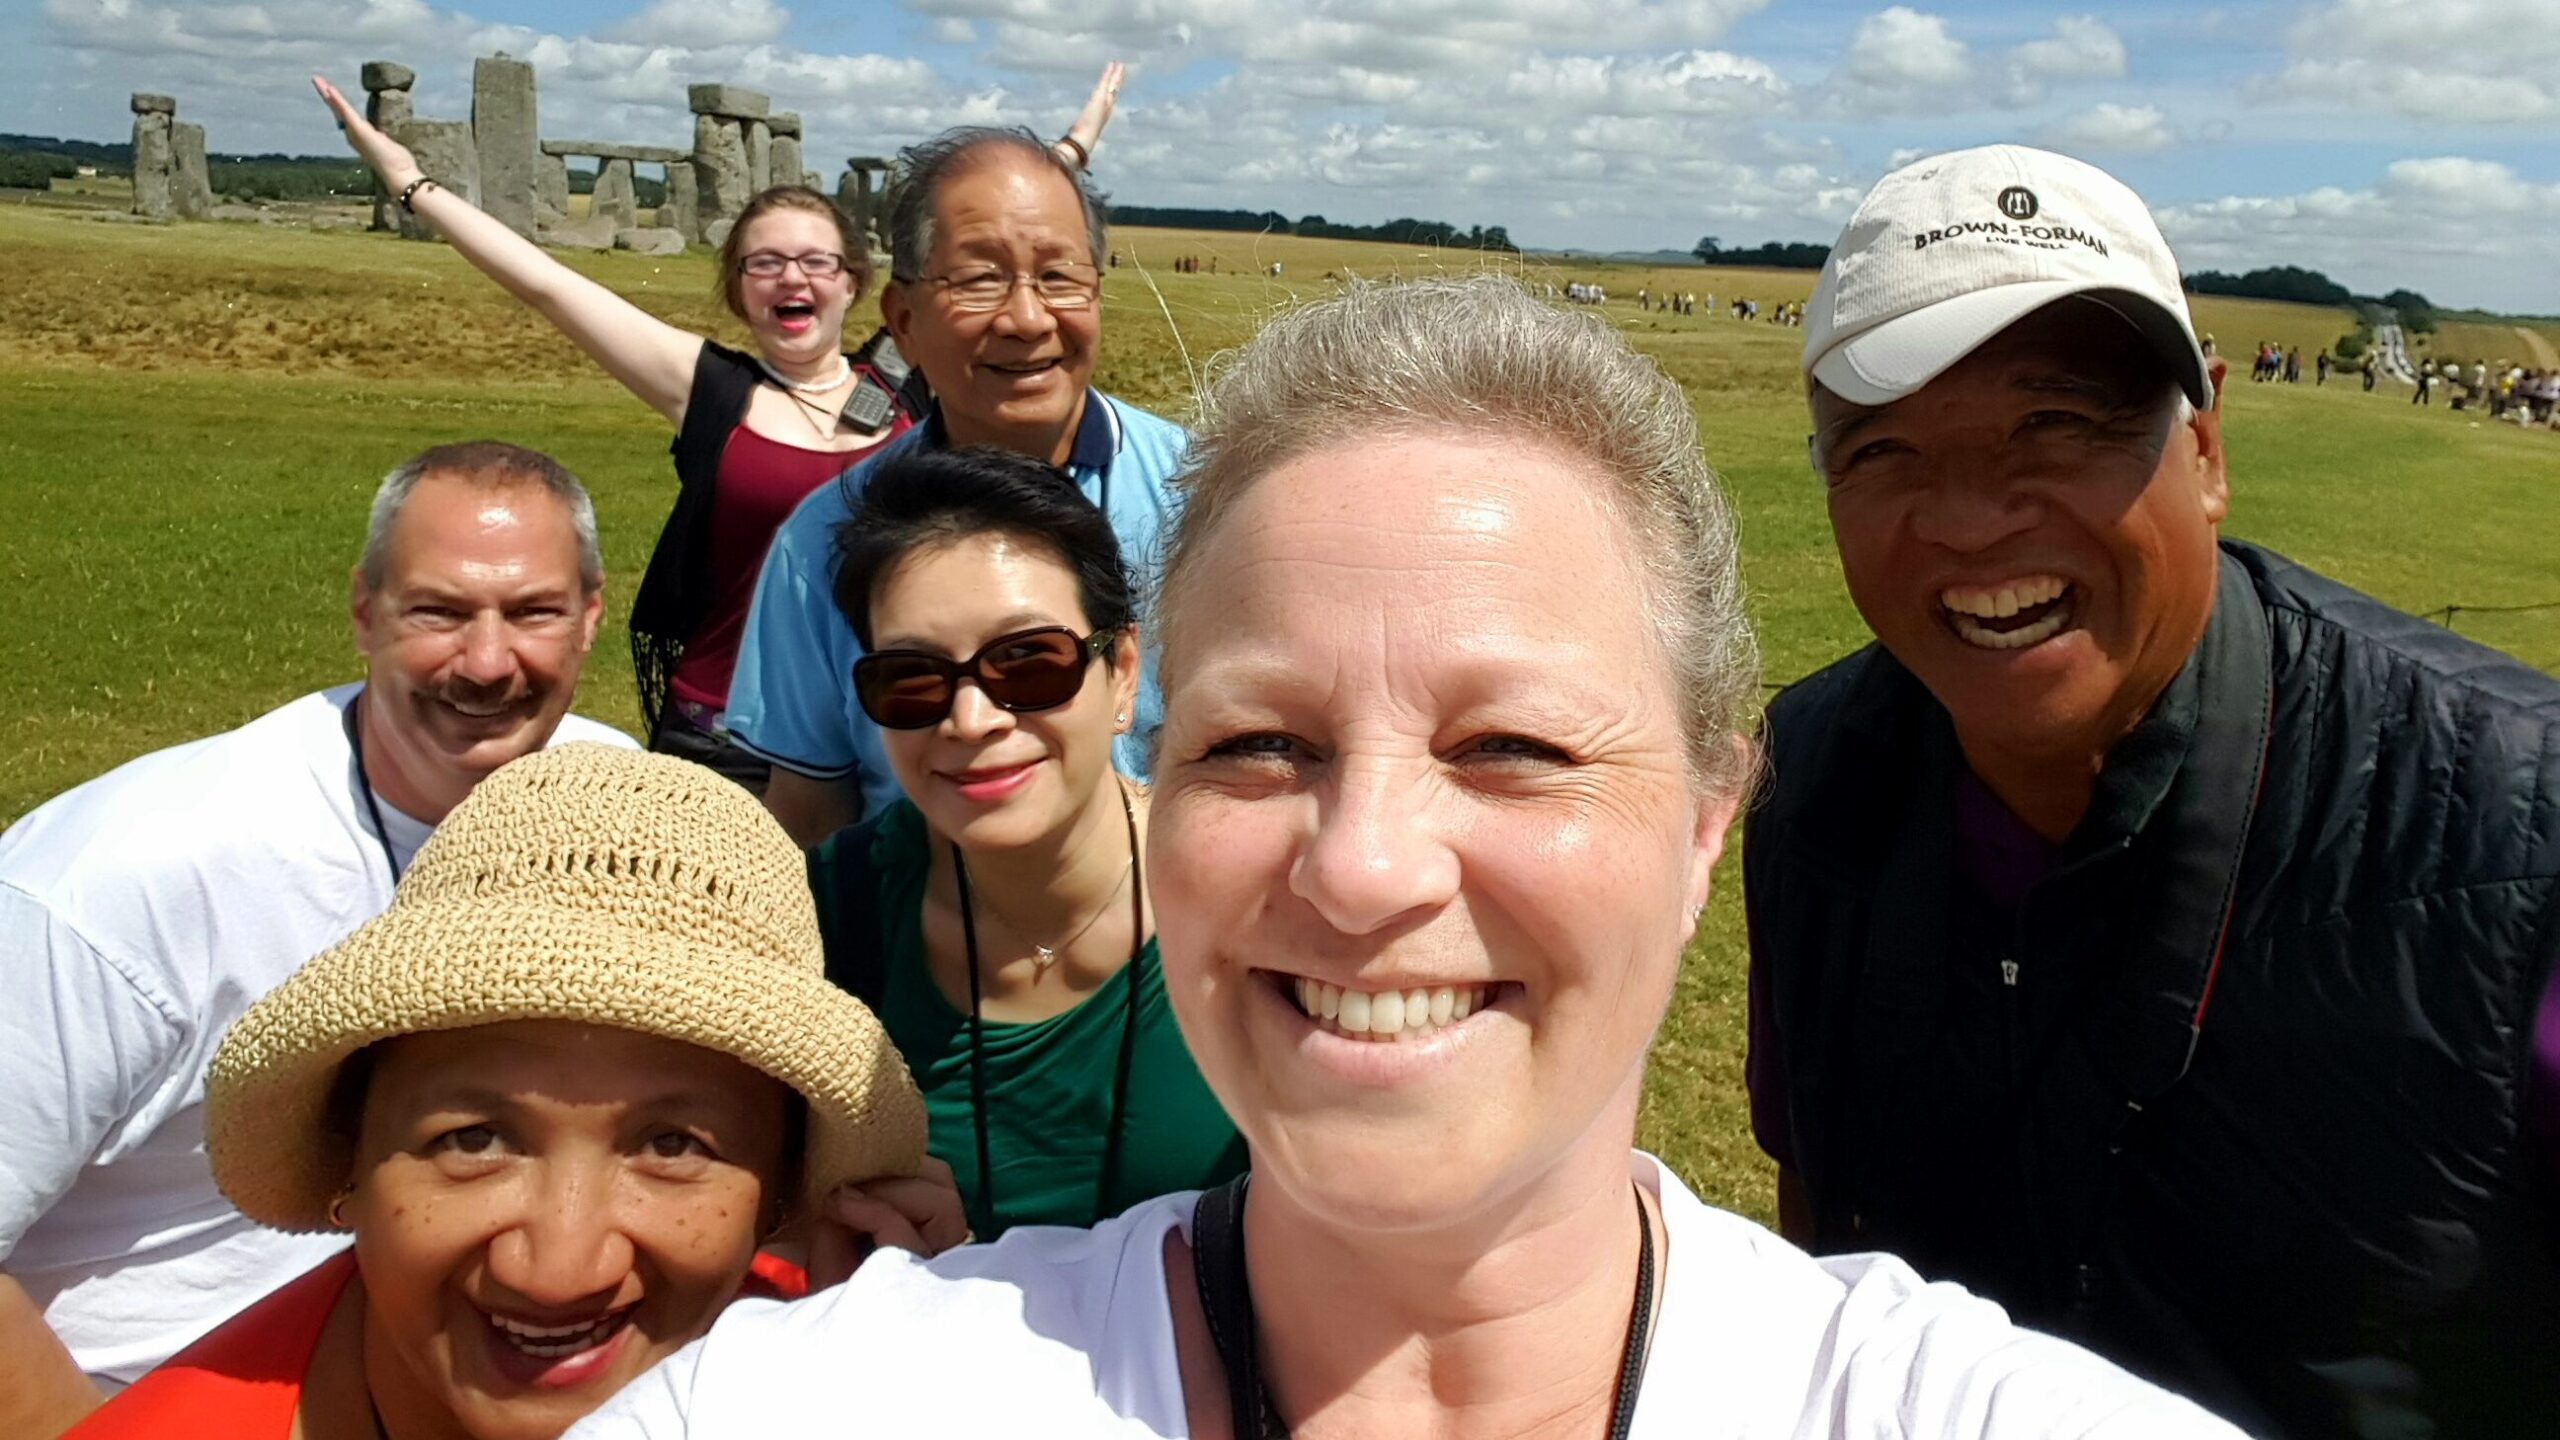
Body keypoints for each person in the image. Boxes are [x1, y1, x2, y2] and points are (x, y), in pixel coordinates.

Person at [566, 278, 2241, 1438]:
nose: (1364, 870)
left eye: (1511, 748)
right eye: (1260, 746)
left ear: (1710, 818)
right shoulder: (834, 1402)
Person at [1756, 144, 2560, 1435]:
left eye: (2057, 422)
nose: (1968, 518)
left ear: (2204, 444)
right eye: (1886, 448)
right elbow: (1821, 1219)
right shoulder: (1811, 777)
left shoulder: (2518, 832)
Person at [0, 442, 634, 1439]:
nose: (487, 661)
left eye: (532, 612)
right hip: (149, 1397)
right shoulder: (126, 880)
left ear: (591, 616)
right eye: (438, 610)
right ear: (363, 612)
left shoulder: (612, 805)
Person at [67, 744, 944, 1439]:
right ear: (350, 1162)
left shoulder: (841, 1375)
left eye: (673, 1146)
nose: (560, 1270)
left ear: (782, 1196)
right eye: (474, 1141)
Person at [311, 68, 1124, 791]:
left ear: (859, 286)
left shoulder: (905, 377)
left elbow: (986, 242)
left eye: (815, 261)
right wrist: (413, 183)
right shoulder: (712, 390)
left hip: (878, 712)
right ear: (738, 288)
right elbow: (552, 288)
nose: (790, 277)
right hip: (716, 727)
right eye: (763, 262)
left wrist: (1071, 150)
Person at [806, 446, 1244, 1239]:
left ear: (1122, 673)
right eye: (912, 678)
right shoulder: (828, 922)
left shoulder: (1253, 903)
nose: (971, 721)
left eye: (1028, 662)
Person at [726, 124, 1186, 846]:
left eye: (1060, 277)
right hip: (918, 936)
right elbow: (812, 805)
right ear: (903, 321)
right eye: (979, 280)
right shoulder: (820, 544)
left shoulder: (1203, 497)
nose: (1028, 319)